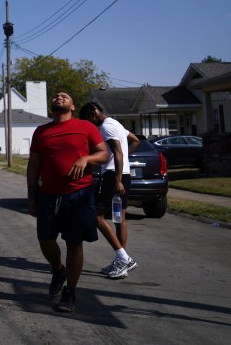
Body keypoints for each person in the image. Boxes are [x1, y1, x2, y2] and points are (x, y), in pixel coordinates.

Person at [27, 91, 108, 312]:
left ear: (73, 106)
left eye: (65, 96)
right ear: (51, 105)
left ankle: (70, 291)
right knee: (45, 240)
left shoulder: (86, 127)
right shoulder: (41, 131)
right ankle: (58, 269)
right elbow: (33, 165)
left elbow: (103, 154)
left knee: (74, 242)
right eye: (56, 96)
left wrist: (86, 158)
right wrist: (31, 194)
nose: (59, 96)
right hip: (48, 195)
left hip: (79, 194)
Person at [79, 102, 142, 279]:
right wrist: (123, 166)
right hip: (124, 174)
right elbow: (135, 140)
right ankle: (121, 261)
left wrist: (117, 179)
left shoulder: (106, 127)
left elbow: (118, 152)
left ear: (94, 113)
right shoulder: (117, 124)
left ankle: (124, 259)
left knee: (97, 216)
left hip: (113, 176)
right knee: (119, 218)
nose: (90, 124)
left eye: (88, 120)